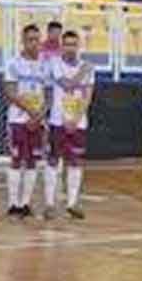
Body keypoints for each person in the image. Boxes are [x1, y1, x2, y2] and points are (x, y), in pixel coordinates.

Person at [45, 31, 94, 220]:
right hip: (58, 120)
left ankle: (72, 203)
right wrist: (83, 72)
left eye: (74, 44)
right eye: (67, 44)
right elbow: (67, 84)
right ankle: (50, 203)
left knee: (75, 161)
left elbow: (88, 96)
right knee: (53, 159)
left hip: (78, 122)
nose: (70, 48)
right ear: (61, 46)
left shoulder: (88, 67)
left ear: (79, 46)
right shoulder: (55, 63)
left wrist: (76, 118)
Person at [4, 24, 50, 220]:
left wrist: (40, 115)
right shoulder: (13, 63)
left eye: (37, 40)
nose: (34, 43)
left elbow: (49, 94)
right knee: (16, 160)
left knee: (33, 161)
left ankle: (25, 203)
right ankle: (13, 203)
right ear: (23, 41)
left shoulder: (46, 65)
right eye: (30, 39)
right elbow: (10, 91)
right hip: (18, 119)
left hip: (37, 121)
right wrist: (30, 111)